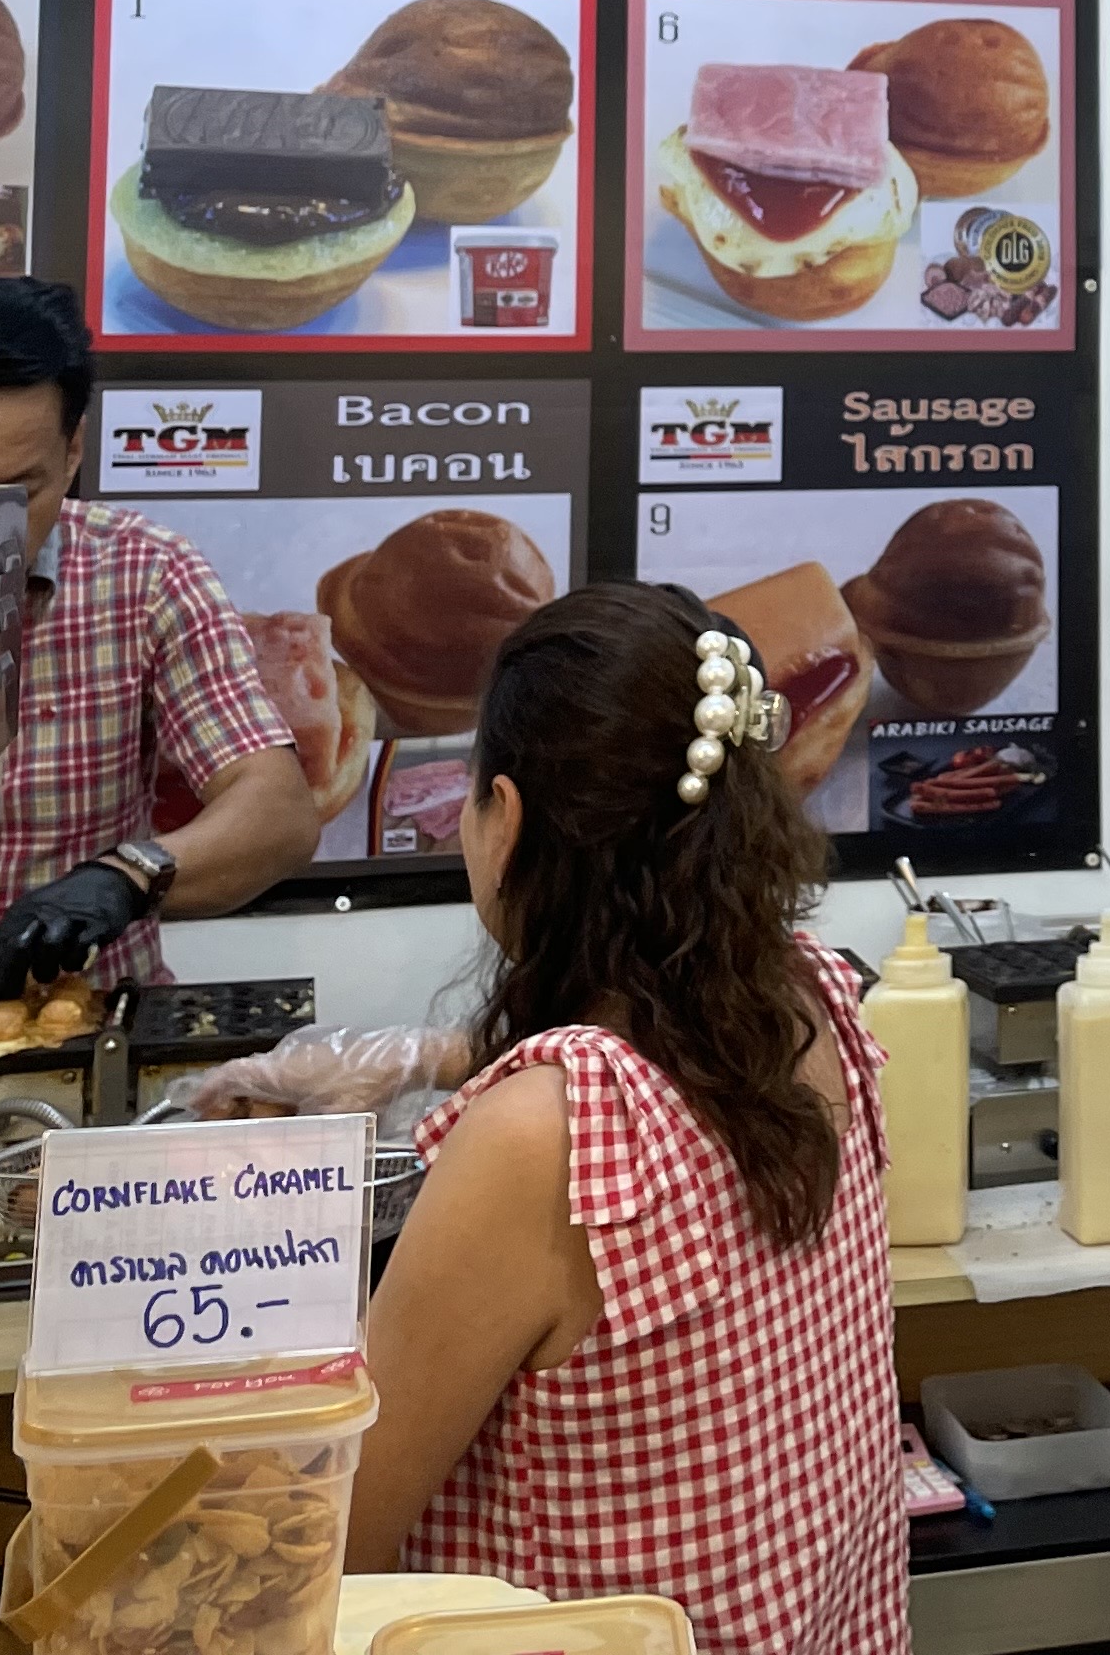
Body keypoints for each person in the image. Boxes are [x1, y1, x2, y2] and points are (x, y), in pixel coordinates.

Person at [347, 583, 902, 1651]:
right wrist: (429, 1056)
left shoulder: (542, 1138)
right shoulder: (815, 1000)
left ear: (506, 818)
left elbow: (337, 1536)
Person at [0, 278, 317, 994]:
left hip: (81, 1019)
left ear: (72, 452)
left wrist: (127, 876)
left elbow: (278, 812)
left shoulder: (146, 572)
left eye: (17, 493)